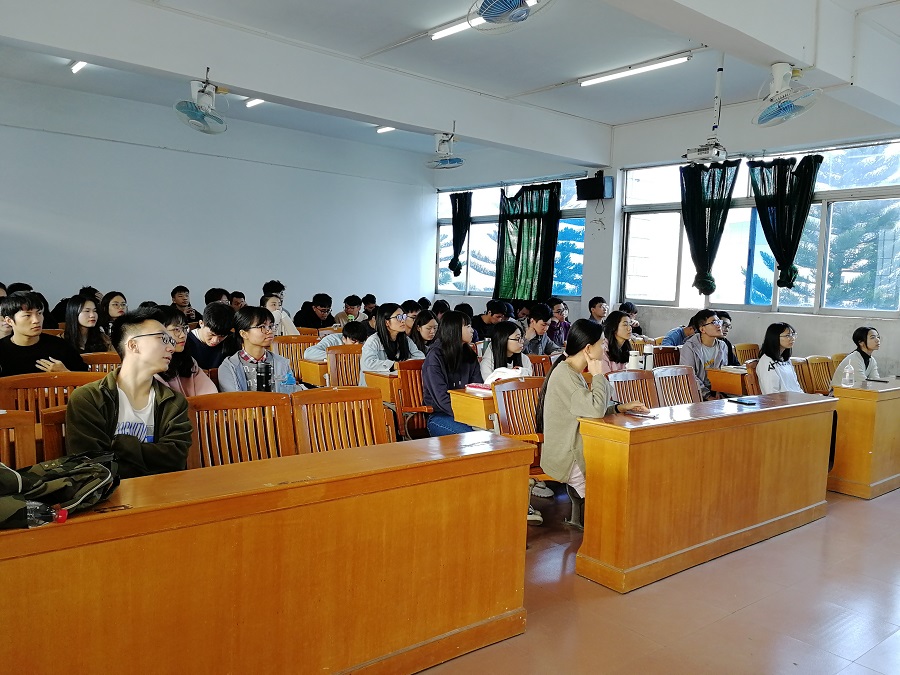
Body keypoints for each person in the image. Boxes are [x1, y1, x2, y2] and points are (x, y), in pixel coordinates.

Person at [537, 319, 648, 528]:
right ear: (588, 348)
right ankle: (604, 539)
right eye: (602, 343)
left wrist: (619, 408)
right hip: (569, 455)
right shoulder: (565, 375)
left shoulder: (571, 371)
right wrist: (598, 374)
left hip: (580, 447)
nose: (605, 347)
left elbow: (590, 408)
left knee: (621, 475)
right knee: (612, 493)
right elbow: (595, 409)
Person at [64, 308, 192, 479]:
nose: (171, 347)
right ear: (133, 345)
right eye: (163, 339)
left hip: (161, 490)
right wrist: (150, 459)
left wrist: (117, 444)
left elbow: (175, 459)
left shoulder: (174, 402)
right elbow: (90, 465)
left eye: (170, 340)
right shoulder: (88, 398)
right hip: (109, 493)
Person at [422, 311, 482, 437]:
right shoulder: (435, 356)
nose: (472, 330)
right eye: (468, 326)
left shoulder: (469, 355)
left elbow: (477, 388)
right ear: (455, 329)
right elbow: (442, 399)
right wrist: (466, 415)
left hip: (468, 414)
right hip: (440, 416)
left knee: (495, 434)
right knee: (474, 437)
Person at [0, 291, 87, 376]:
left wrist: (65, 374)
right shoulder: (2, 350)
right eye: (27, 315)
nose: (36, 320)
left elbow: (85, 380)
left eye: (39, 313)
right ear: (9, 321)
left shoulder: (60, 346)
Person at [218, 306, 297, 393]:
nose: (270, 331)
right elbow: (234, 400)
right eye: (262, 326)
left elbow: (290, 394)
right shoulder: (229, 367)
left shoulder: (282, 363)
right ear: (244, 334)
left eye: (270, 326)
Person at [153, 305, 218, 397]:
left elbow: (210, 395)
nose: (183, 335)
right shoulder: (149, 369)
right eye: (176, 329)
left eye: (184, 328)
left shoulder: (188, 361)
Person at [359, 303, 425, 385]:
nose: (403, 321)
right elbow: (368, 364)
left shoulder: (406, 340)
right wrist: (394, 365)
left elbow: (420, 358)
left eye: (403, 316)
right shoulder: (373, 341)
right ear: (387, 322)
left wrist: (406, 364)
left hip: (396, 383)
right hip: (375, 385)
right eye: (398, 317)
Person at [679, 309, 728, 400]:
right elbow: (689, 376)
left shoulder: (722, 346)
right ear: (702, 329)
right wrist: (708, 396)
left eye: (719, 321)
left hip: (715, 392)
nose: (719, 325)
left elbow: (722, 371)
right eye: (713, 322)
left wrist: (719, 391)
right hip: (695, 393)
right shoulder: (690, 347)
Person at [186, 302, 236, 369]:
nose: (215, 340)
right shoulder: (185, 342)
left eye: (222, 336)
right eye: (212, 334)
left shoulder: (231, 340)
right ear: (201, 323)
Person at [756, 323, 803, 394]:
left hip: (795, 398)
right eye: (787, 335)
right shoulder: (766, 361)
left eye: (793, 334)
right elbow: (771, 392)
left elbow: (796, 386)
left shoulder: (786, 359)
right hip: (782, 400)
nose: (792, 338)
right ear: (775, 338)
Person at [303, 320, 368, 361]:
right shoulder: (332, 340)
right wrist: (337, 356)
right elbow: (308, 353)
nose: (357, 345)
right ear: (344, 339)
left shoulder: (366, 341)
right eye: (354, 341)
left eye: (361, 342)